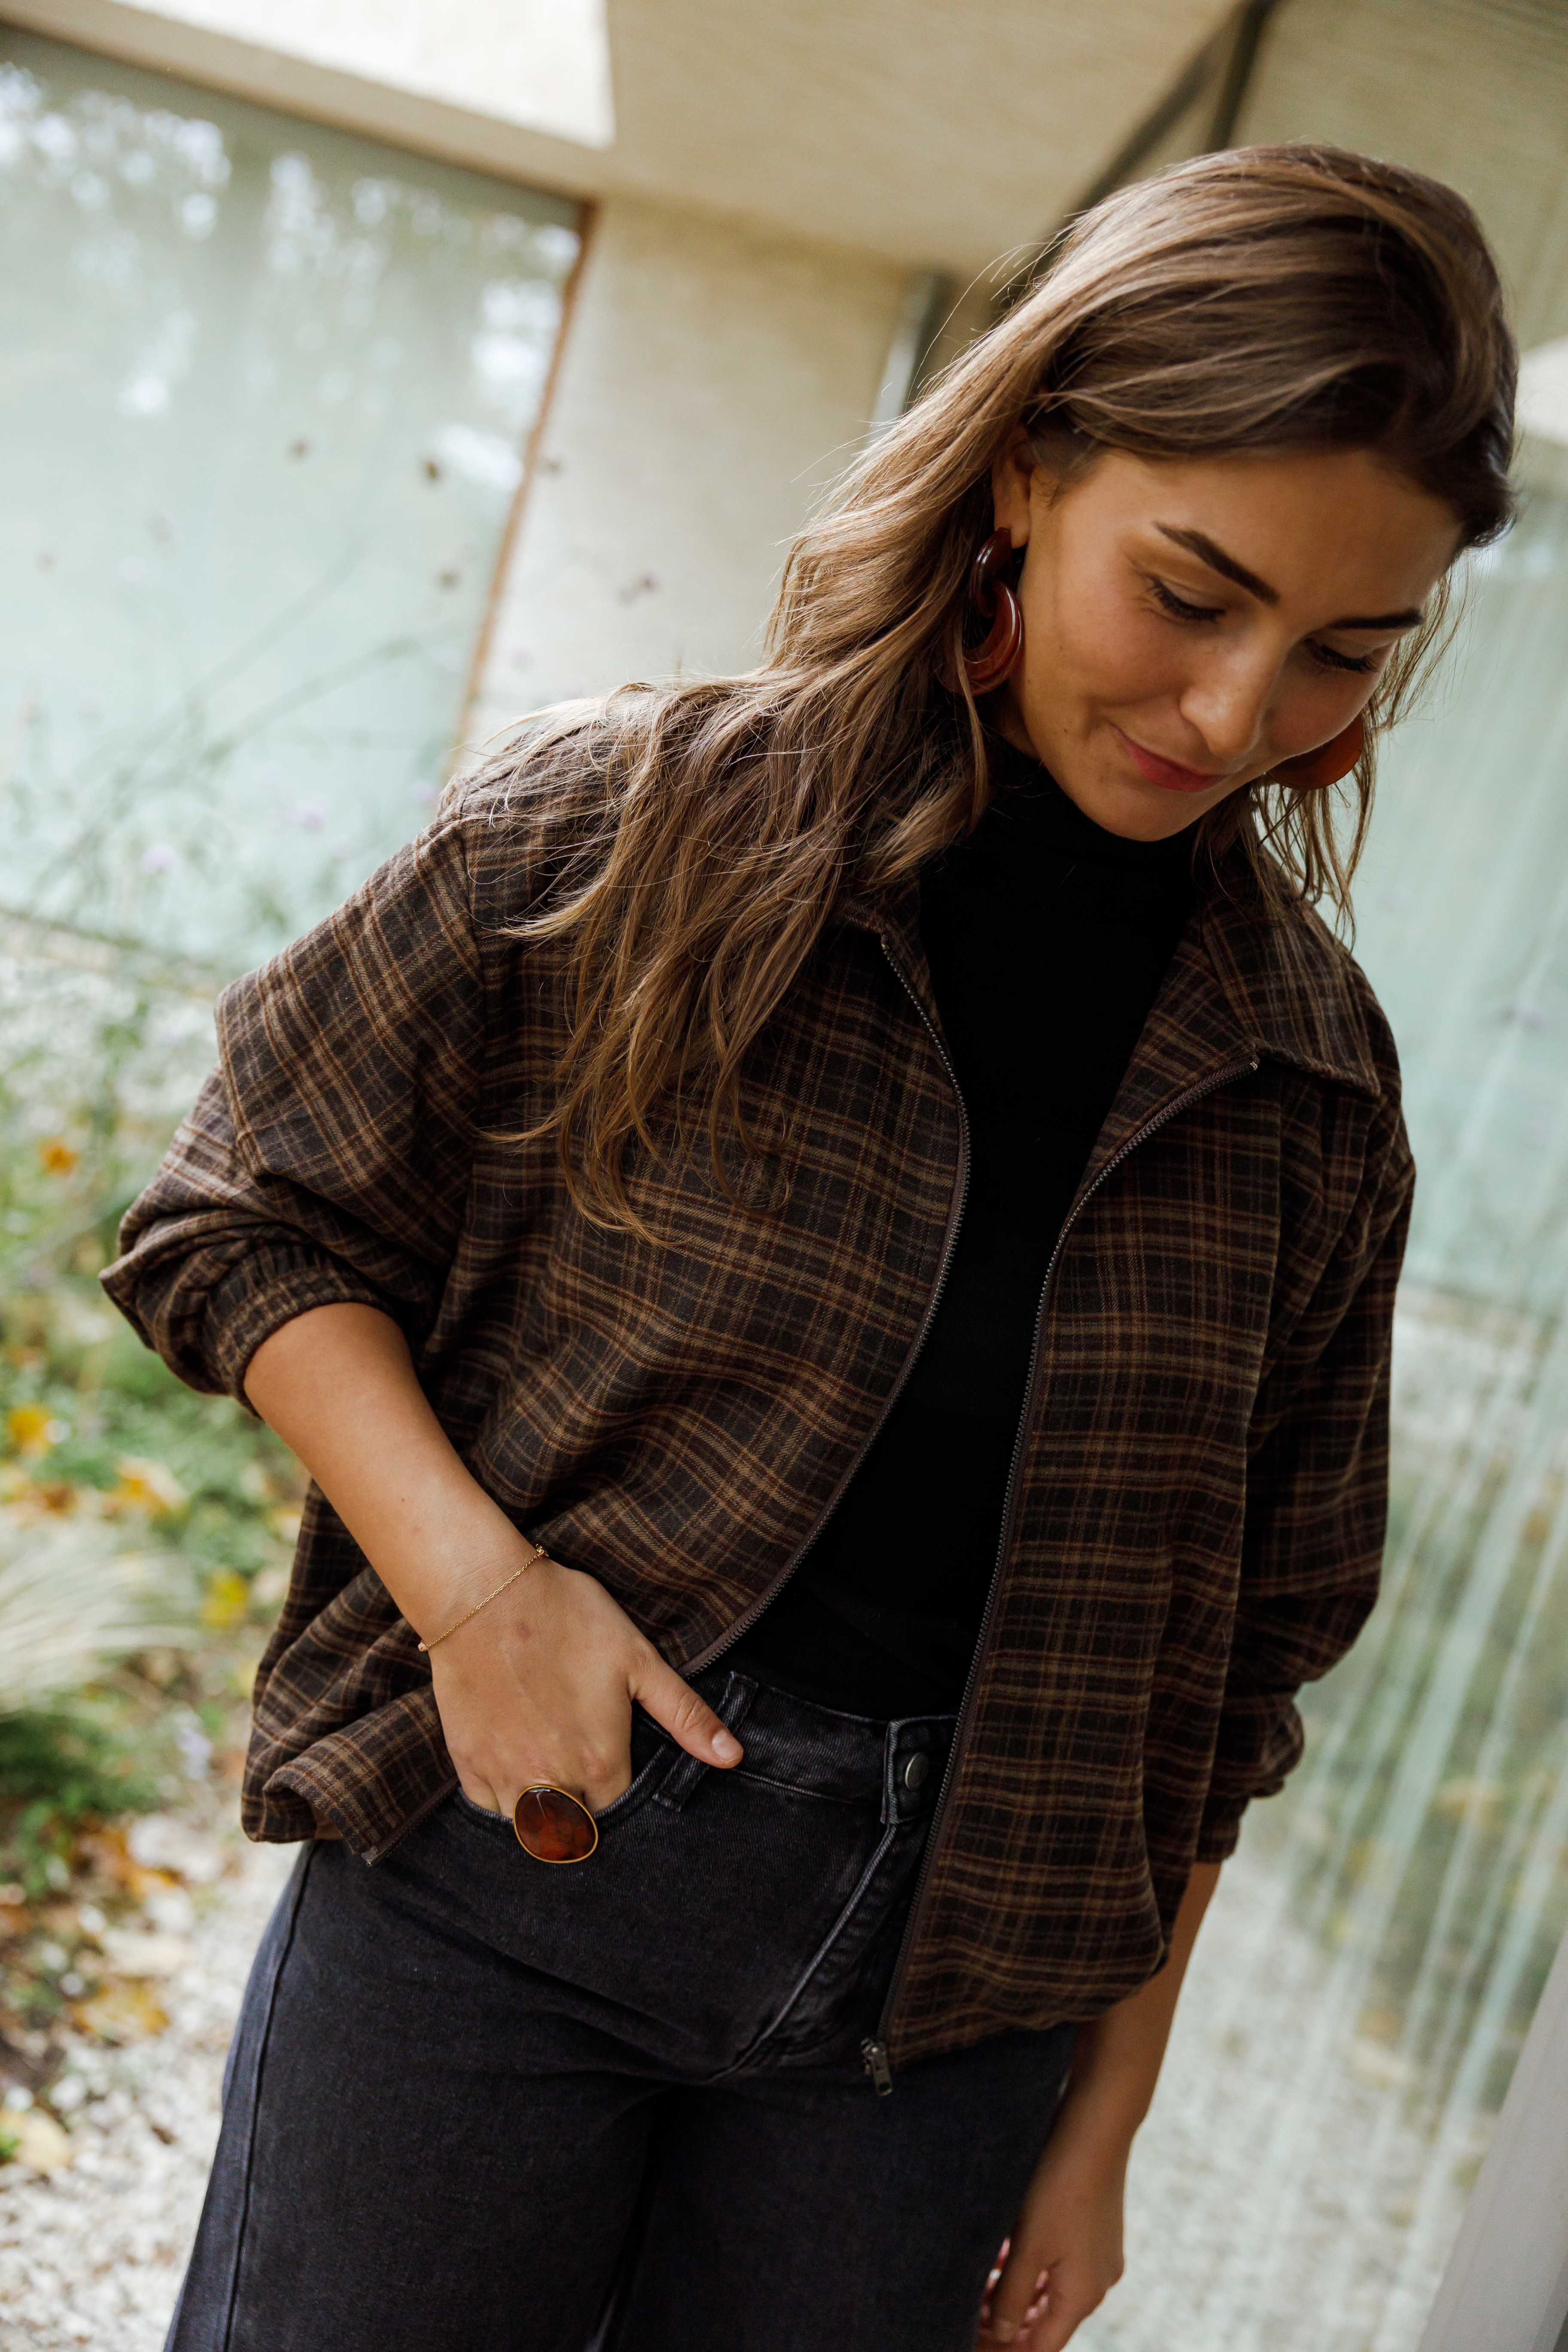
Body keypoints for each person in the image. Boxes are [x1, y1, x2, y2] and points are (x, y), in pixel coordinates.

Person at [104, 143, 1515, 2352]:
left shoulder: (1312, 1089)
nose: (1239, 715)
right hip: (506, 1882)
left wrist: (1102, 2116)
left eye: (1344, 648)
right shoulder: (636, 828)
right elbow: (246, 1209)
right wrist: (477, 1592)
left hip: (943, 2026)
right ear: (1032, 471)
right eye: (1192, 591)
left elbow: (1228, 1673)